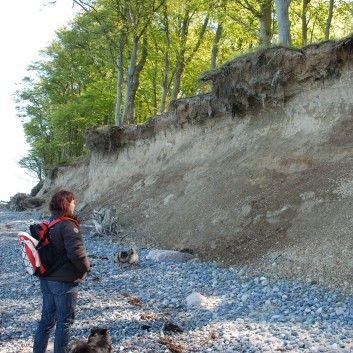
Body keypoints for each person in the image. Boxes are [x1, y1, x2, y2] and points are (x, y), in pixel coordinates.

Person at [33, 190, 91, 353]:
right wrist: (86, 268)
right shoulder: (68, 225)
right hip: (64, 282)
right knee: (64, 323)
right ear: (66, 205)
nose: (74, 205)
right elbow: (76, 253)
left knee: (46, 321)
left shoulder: (50, 223)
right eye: (72, 202)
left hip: (46, 279)